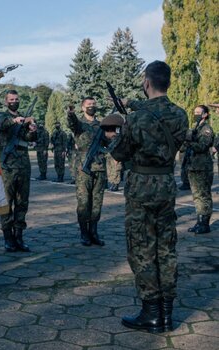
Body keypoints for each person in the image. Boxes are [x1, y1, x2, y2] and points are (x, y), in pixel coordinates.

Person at [104, 61, 188, 333]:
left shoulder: (137, 118)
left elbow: (119, 152)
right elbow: (161, 120)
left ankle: (150, 313)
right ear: (168, 82)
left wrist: (115, 134)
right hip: (166, 184)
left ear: (147, 83)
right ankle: (166, 314)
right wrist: (133, 106)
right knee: (166, 246)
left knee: (142, 247)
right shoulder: (181, 114)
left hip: (141, 186)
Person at [0, 90, 37, 252]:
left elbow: (30, 138)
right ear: (6, 102)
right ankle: (8, 238)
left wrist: (32, 129)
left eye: (17, 99)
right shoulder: (1, 116)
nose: (14, 101)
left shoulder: (24, 120)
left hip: (24, 166)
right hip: (7, 167)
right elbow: (0, 125)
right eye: (11, 99)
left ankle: (19, 236)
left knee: (22, 202)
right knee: (7, 202)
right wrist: (15, 121)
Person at [67, 97, 106, 247]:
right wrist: (70, 113)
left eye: (94, 104)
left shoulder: (101, 124)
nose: (92, 106)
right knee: (84, 202)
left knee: (97, 202)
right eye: (89, 105)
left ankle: (94, 232)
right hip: (83, 168)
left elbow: (108, 142)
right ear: (83, 108)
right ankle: (84, 233)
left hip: (100, 166)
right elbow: (71, 123)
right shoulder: (80, 124)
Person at [185, 105, 214, 234]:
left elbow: (202, 146)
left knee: (204, 196)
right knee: (197, 196)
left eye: (198, 112)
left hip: (202, 167)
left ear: (205, 114)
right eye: (194, 112)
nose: (196, 114)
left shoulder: (206, 129)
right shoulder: (195, 128)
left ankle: (205, 224)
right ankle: (199, 222)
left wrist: (188, 142)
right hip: (193, 166)